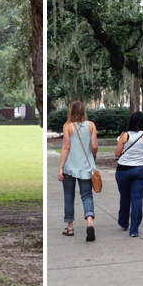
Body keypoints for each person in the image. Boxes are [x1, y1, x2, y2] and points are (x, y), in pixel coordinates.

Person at [57, 101, 99, 241]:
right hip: (86, 168)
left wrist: (60, 167)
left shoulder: (68, 126)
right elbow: (94, 146)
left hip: (70, 166)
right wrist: (93, 156)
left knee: (69, 196)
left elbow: (66, 148)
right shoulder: (91, 125)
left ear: (71, 111)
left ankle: (70, 228)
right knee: (87, 195)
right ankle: (89, 222)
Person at [113, 111, 143, 237]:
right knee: (137, 198)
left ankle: (123, 222)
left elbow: (117, 153)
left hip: (123, 170)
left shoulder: (124, 136)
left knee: (125, 197)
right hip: (141, 169)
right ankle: (134, 229)